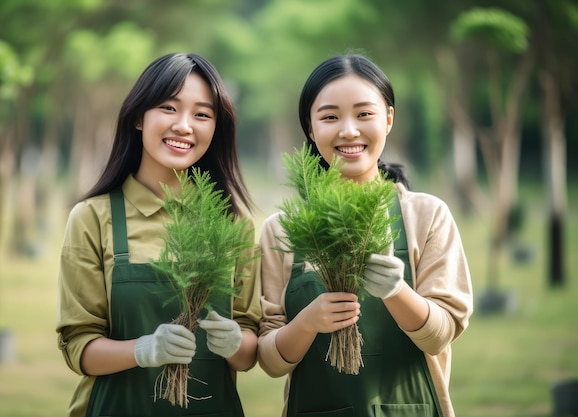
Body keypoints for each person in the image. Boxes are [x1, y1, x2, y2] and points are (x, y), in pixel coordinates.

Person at [258, 53, 473, 417]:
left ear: (388, 119)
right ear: (310, 129)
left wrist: (396, 290)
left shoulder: (426, 216)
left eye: (364, 114)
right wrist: (307, 321)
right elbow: (271, 362)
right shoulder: (281, 231)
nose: (348, 130)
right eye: (329, 117)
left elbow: (440, 336)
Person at [56, 52, 261, 417]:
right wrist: (143, 349)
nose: (184, 126)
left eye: (202, 114)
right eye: (169, 108)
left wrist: (235, 343)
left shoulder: (234, 223)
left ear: (216, 128)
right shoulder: (92, 218)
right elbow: (78, 345)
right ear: (138, 117)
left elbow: (249, 351)